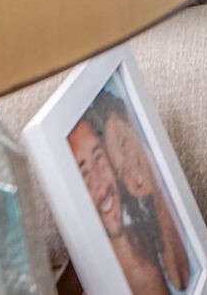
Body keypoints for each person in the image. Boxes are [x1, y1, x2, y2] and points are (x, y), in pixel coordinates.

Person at [94, 91, 194, 294]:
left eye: (124, 144)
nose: (130, 169)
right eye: (121, 171)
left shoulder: (182, 202)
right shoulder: (147, 245)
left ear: (131, 123)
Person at [67, 111, 169, 295]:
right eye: (84, 174)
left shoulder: (152, 236)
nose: (101, 183)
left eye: (99, 157)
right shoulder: (92, 279)